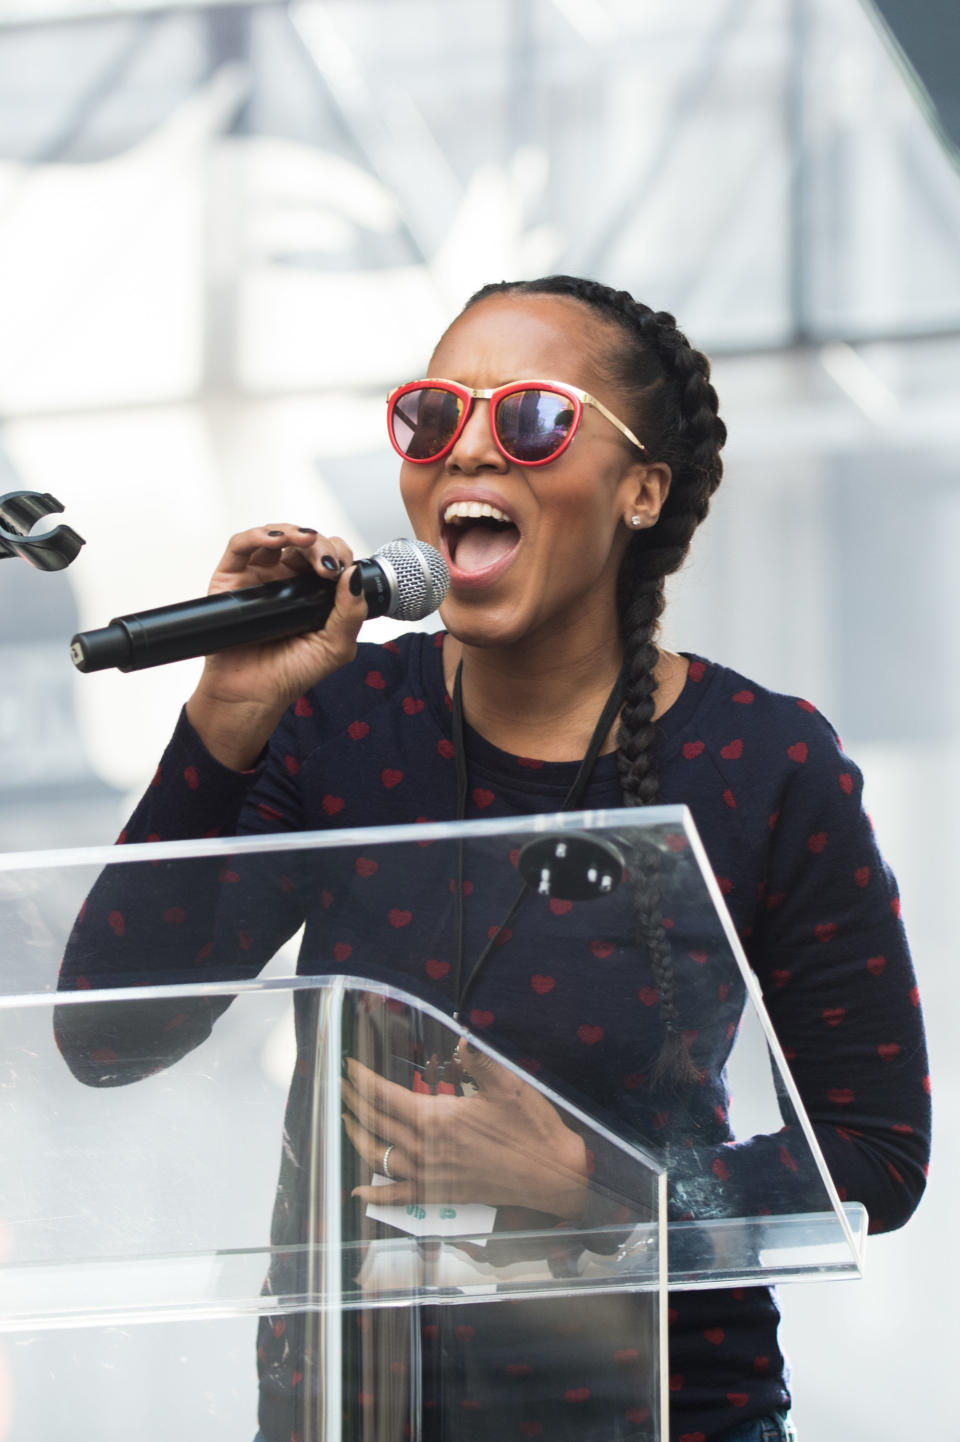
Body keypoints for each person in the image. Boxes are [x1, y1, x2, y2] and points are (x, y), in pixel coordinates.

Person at [58, 275, 930, 1442]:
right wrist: (225, 720)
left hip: (659, 1408)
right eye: (431, 417)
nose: (468, 452)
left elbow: (876, 1154)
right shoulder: (343, 722)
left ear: (641, 491)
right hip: (347, 1405)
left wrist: (594, 1183)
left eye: (530, 419)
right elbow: (110, 1035)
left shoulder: (763, 760)